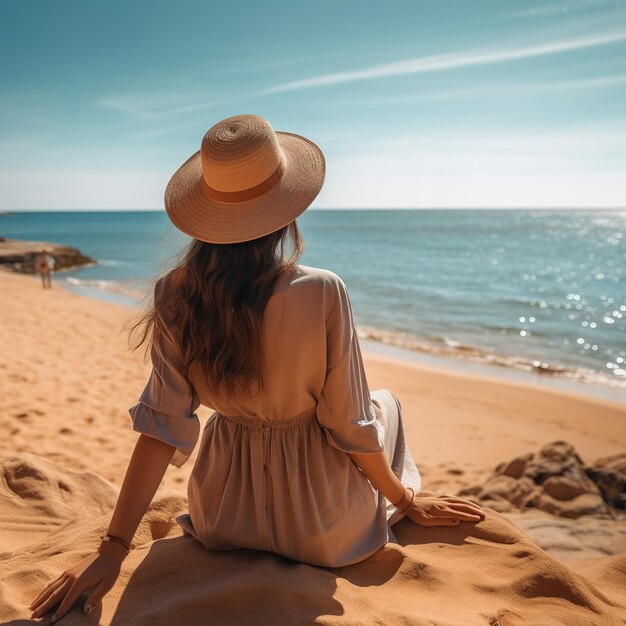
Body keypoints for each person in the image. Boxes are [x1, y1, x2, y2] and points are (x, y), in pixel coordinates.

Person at [29, 114, 485, 622]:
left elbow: (161, 429)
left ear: (207, 212)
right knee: (385, 404)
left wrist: (113, 547)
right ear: (288, 209)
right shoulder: (321, 290)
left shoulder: (176, 293)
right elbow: (349, 427)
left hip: (223, 518)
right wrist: (406, 501)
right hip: (325, 530)